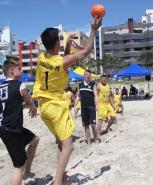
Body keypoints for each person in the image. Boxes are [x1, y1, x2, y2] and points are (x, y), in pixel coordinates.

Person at [32, 17, 102, 185]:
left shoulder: (42, 58)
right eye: (60, 39)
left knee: (61, 143)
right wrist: (93, 30)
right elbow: (85, 51)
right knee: (69, 145)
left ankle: (61, 177)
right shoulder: (62, 62)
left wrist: (68, 44)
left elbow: (62, 59)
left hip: (44, 107)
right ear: (57, 43)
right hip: (56, 106)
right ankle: (58, 181)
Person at [0, 59, 39, 185]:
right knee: (18, 166)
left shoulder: (1, 87)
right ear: (11, 71)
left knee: (35, 140)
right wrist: (33, 107)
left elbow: (10, 104)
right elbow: (29, 100)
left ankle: (27, 171)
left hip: (8, 127)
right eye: (18, 67)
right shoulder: (19, 85)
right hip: (11, 129)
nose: (20, 69)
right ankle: (24, 170)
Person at [74, 69, 99, 144]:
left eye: (89, 75)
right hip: (83, 108)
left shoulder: (92, 85)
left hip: (91, 107)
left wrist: (97, 105)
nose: (87, 76)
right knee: (86, 125)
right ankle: (88, 140)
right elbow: (78, 96)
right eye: (86, 74)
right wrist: (75, 106)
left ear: (90, 76)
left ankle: (96, 139)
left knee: (93, 124)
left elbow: (96, 96)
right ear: (83, 75)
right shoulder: (80, 84)